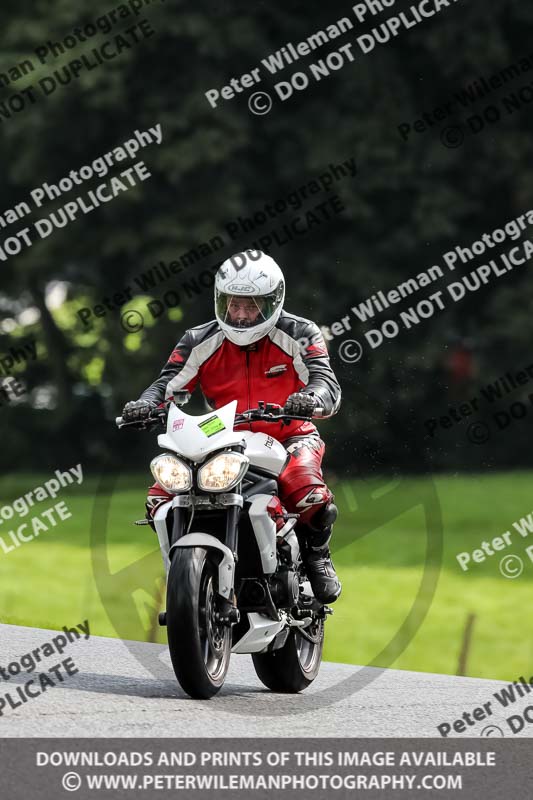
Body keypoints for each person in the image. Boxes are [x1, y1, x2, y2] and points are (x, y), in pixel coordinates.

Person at [122, 250, 342, 603]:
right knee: (159, 496)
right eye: (232, 305)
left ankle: (317, 554)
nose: (240, 315)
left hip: (290, 435)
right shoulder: (197, 340)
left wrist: (310, 399)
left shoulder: (300, 333)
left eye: (251, 306)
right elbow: (167, 383)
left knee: (306, 491)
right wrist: (147, 405)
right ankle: (193, 572)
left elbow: (325, 382)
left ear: (274, 302)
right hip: (224, 437)